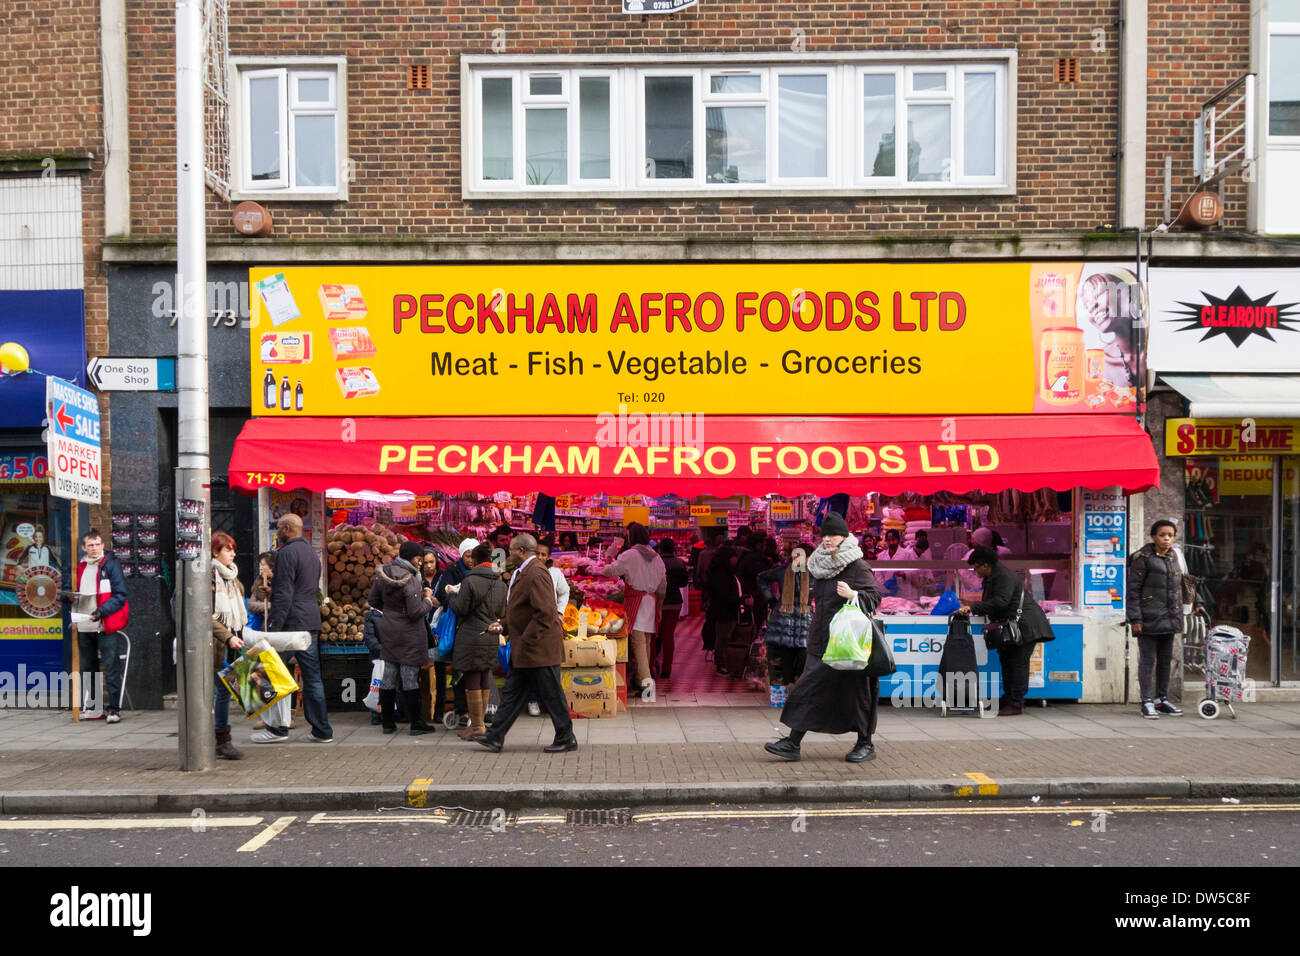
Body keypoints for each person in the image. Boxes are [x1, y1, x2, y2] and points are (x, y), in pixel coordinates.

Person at [765, 513, 881, 763]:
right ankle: (792, 743)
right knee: (809, 689)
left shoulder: (857, 565)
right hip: (821, 639)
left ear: (845, 537)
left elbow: (874, 598)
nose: (827, 540)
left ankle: (865, 743)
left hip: (848, 642)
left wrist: (853, 594)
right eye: (825, 535)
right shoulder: (819, 563)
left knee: (857, 693)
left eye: (833, 535)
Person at [471, 533, 577, 754]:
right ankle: (494, 736)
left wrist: (526, 639)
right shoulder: (525, 572)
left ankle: (566, 737)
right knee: (512, 692)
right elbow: (522, 610)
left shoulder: (536, 572)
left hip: (538, 647)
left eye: (511, 550)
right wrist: (503, 625)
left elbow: (545, 613)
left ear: (521, 551)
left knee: (551, 693)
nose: (508, 554)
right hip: (529, 648)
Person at [255, 513, 333, 744]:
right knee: (313, 678)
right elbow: (304, 588)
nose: (277, 531)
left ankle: (276, 728)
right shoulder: (312, 554)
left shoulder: (286, 553)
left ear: (288, 528)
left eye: (279, 528)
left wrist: (274, 628)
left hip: (290, 625)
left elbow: (286, 593)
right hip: (309, 622)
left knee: (268, 671)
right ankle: (322, 731)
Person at [959, 546, 1056, 716]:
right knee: (1007, 661)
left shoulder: (1003, 577)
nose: (974, 572)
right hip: (1012, 625)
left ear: (985, 565)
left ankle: (1015, 703)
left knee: (1017, 664)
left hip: (1024, 625)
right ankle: (1007, 699)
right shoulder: (993, 576)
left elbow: (1001, 601)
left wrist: (974, 607)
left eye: (976, 567)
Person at [370, 540, 439, 736]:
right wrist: (427, 598)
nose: (421, 564)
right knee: (409, 677)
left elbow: (373, 600)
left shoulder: (383, 573)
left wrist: (392, 613)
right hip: (409, 633)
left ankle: (387, 724)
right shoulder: (410, 579)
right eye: (419, 559)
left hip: (389, 630)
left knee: (389, 676)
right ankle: (416, 724)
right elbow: (415, 612)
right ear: (412, 558)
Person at [1126, 520, 1188, 720]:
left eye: (1170, 535)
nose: (1167, 539)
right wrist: (1135, 618)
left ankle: (1161, 698)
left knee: (1164, 661)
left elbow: (1183, 582)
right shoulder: (1142, 558)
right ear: (1153, 537)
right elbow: (1133, 591)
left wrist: (1198, 601)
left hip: (1170, 618)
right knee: (1147, 661)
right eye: (1162, 535)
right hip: (1148, 619)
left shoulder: (1174, 556)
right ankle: (1146, 701)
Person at [597, 522, 666, 699]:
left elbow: (610, 572)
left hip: (636, 601)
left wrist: (609, 556)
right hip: (651, 600)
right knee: (647, 640)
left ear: (631, 537)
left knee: (638, 642)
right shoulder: (656, 557)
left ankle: (647, 685)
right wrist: (659, 605)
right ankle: (640, 678)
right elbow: (663, 584)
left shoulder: (629, 555)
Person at [447, 542, 506, 739]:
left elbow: (461, 608)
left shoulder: (470, 581)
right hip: (490, 636)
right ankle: (479, 725)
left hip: (470, 636)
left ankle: (477, 726)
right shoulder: (500, 583)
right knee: (484, 675)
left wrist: (450, 596)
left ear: (475, 560)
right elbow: (501, 612)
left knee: (472, 677)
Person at [73, 529, 129, 723]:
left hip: (105, 624)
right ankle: (94, 708)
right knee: (88, 668)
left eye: (97, 544)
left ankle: (114, 709)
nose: (94, 548)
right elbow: (75, 594)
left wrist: (101, 612)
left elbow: (120, 595)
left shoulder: (111, 565)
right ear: (84, 547)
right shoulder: (79, 566)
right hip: (84, 624)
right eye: (90, 545)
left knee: (111, 667)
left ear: (103, 546)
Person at [431, 538, 478, 729]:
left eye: (473, 556)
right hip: (457, 625)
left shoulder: (481, 572)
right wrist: (458, 596)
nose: (470, 560)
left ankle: (479, 711)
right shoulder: (452, 571)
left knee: (475, 670)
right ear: (461, 555)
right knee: (459, 669)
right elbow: (443, 595)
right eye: (467, 556)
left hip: (475, 626)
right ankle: (462, 710)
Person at [210, 532, 246, 759]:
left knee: (225, 691)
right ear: (215, 552)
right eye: (227, 549)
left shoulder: (232, 576)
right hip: (215, 645)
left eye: (233, 549)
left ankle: (220, 738)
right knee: (221, 691)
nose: (233, 553)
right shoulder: (209, 577)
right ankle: (222, 740)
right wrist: (227, 636)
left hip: (232, 642)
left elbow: (240, 606)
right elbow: (204, 614)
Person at [758, 543, 813, 686]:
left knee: (804, 653)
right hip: (785, 617)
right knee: (786, 653)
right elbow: (761, 578)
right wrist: (770, 598)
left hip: (804, 617)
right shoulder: (783, 571)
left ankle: (798, 684)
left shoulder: (813, 572)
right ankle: (789, 686)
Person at [707, 544, 742, 675]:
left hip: (726, 609)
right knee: (723, 637)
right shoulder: (721, 574)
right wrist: (740, 600)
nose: (736, 560)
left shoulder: (724, 571)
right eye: (734, 557)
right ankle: (720, 663)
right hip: (724, 610)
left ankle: (723, 662)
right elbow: (724, 594)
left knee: (724, 636)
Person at [656, 538, 688, 680]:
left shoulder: (655, 563)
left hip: (658, 603)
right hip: (675, 602)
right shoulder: (680, 563)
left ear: (660, 549)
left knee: (654, 636)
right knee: (668, 636)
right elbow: (684, 583)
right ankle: (666, 670)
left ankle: (651, 667)